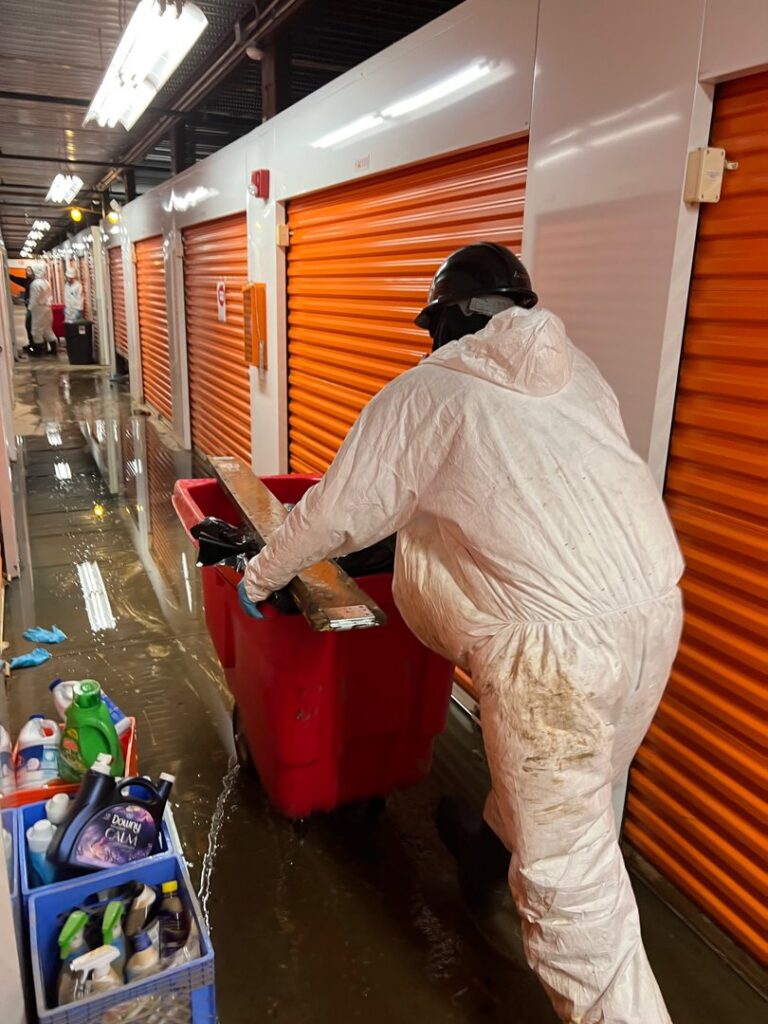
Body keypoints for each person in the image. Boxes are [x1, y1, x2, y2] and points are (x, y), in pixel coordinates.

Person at [242, 243, 684, 1024]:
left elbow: (337, 511)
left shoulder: (430, 392)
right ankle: (483, 856)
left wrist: (258, 577)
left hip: (556, 655)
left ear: (445, 321)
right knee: (575, 790)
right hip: (653, 609)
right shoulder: (580, 372)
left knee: (571, 884)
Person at [28, 262, 58, 356]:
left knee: (36, 330)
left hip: (38, 309)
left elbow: (34, 298)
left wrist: (29, 308)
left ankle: (38, 352)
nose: (30, 273)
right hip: (47, 308)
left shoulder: (35, 284)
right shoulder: (46, 282)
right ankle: (54, 350)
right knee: (47, 329)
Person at [8, 264, 34, 356]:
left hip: (34, 308)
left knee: (30, 326)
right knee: (29, 327)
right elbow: (18, 280)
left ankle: (33, 347)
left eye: (29, 270)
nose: (28, 272)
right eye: (27, 270)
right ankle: (32, 346)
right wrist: (8, 275)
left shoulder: (34, 282)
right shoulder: (27, 281)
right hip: (29, 307)